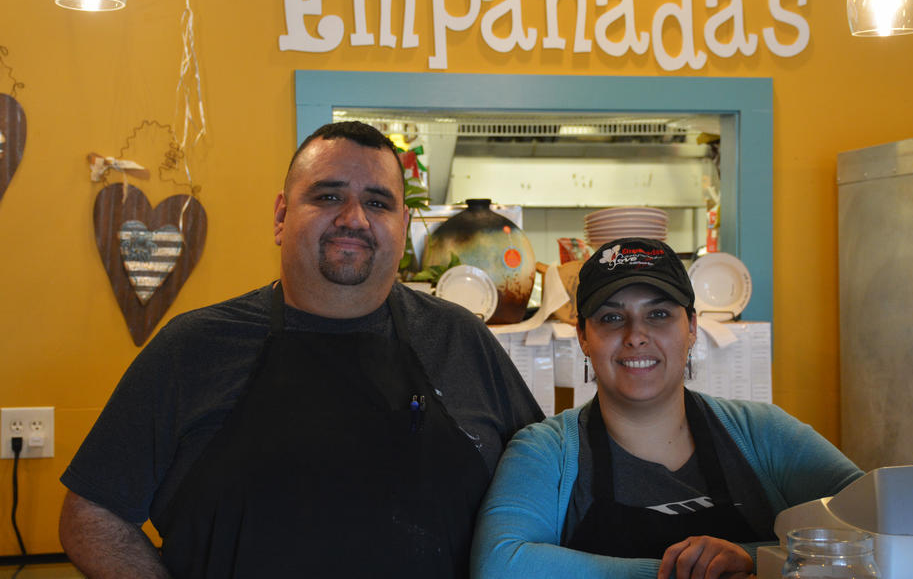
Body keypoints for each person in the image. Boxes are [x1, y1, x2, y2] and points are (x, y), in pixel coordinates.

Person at [59, 122, 543, 579]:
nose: (353, 219)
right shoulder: (191, 349)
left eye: (378, 203)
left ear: (404, 225)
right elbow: (91, 514)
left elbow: (549, 484)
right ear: (280, 216)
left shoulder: (462, 340)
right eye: (328, 196)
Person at [471, 238, 863, 579]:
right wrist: (674, 572)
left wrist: (749, 558)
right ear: (583, 337)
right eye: (611, 317)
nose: (636, 336)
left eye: (659, 314)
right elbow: (500, 565)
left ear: (691, 327)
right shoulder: (545, 451)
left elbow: (878, 526)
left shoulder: (763, 432)